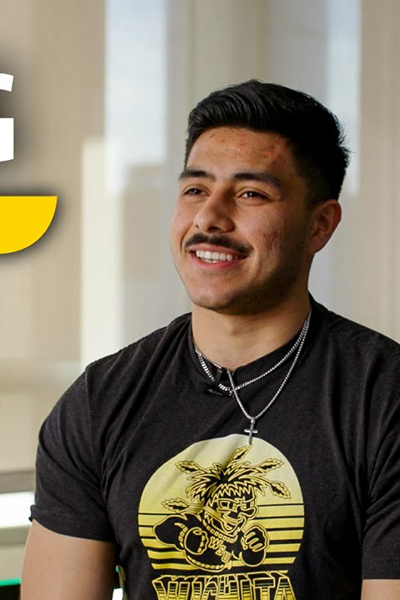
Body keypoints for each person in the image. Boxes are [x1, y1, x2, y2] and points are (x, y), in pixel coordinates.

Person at [21, 80, 400, 600]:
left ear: (319, 225)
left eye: (250, 194)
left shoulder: (382, 399)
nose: (209, 218)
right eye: (195, 189)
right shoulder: (99, 401)